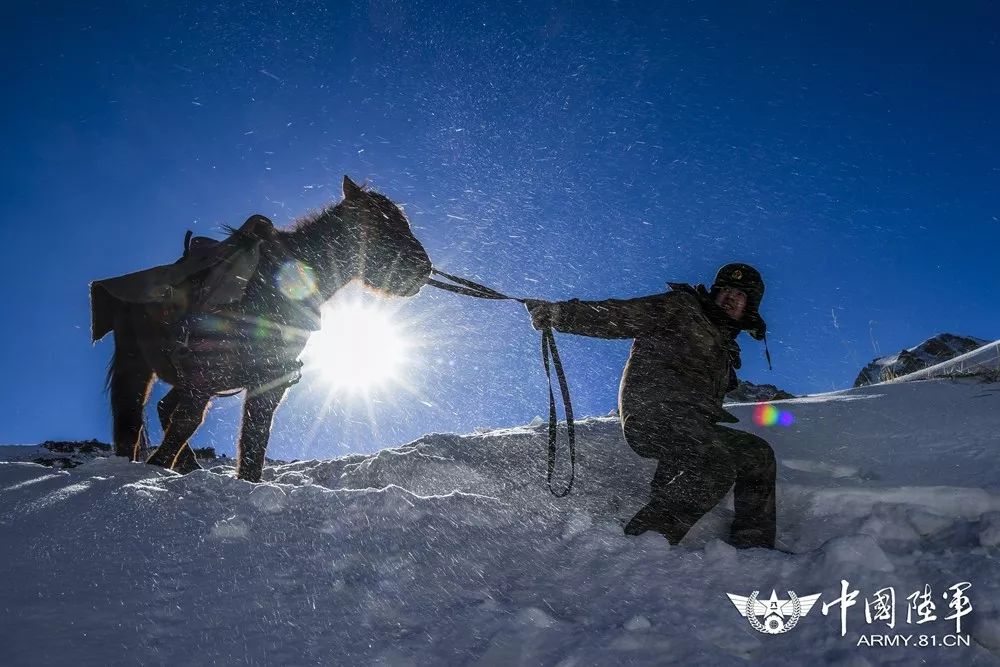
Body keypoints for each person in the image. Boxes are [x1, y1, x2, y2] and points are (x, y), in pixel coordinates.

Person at [525, 263, 777, 549]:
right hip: (652, 413)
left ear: (749, 307)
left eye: (741, 295)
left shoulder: (723, 343)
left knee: (756, 453)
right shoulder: (681, 307)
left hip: (690, 424)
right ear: (716, 292)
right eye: (727, 290)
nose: (731, 297)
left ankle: (754, 544)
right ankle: (642, 542)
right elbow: (621, 315)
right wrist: (562, 314)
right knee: (715, 464)